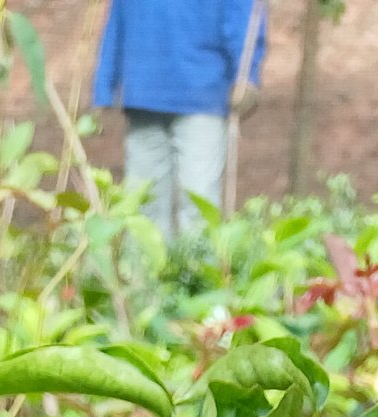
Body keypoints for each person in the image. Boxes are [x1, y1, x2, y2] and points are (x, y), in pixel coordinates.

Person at [93, 0, 267, 239]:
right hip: (146, 91)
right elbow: (118, 16)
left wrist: (246, 75)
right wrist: (104, 83)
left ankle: (197, 274)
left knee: (198, 202)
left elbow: (244, 15)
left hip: (200, 93)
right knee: (143, 207)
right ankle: (142, 275)